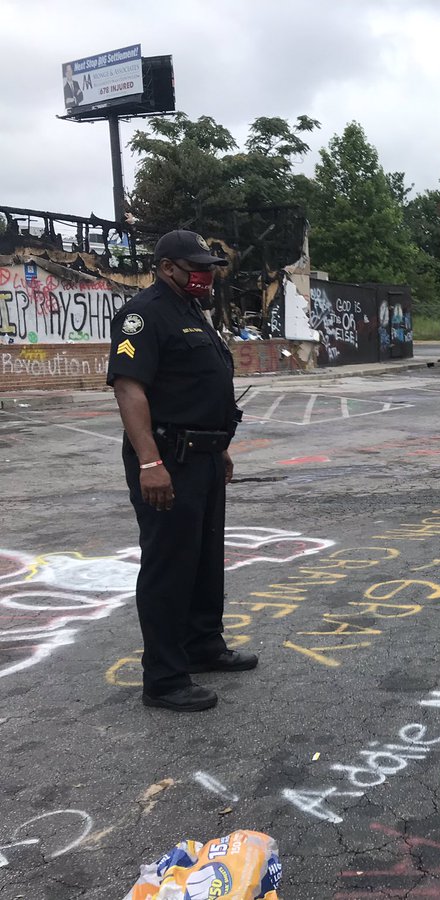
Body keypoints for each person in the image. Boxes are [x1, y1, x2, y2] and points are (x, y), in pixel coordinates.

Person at [107, 229, 251, 713]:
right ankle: (165, 678)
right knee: (169, 565)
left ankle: (202, 646)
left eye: (209, 267)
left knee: (206, 558)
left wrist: (221, 448)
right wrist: (150, 463)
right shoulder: (142, 315)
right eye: (198, 267)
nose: (206, 275)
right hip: (168, 459)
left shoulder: (191, 312)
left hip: (205, 456)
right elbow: (129, 390)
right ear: (167, 266)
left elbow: (202, 386)